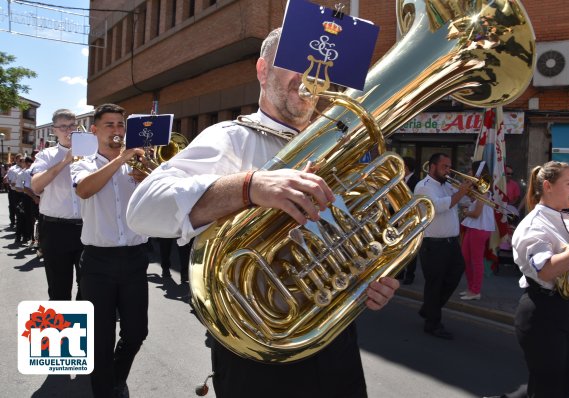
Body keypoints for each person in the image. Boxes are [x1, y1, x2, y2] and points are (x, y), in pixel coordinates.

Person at [127, 27, 398, 398]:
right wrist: (250, 186)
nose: (312, 74)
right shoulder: (230, 138)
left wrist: (366, 278)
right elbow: (143, 209)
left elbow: (346, 239)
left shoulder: (341, 150)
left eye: (322, 66)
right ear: (262, 70)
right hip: (256, 353)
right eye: (296, 62)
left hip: (333, 339)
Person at [71, 103, 149, 398]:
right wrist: (120, 160)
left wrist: (147, 172)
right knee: (100, 338)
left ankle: (117, 376)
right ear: (95, 130)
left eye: (120, 125)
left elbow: (156, 193)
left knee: (136, 332)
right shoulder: (83, 163)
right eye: (110, 125)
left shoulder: (138, 163)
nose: (117, 131)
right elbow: (84, 190)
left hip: (134, 259)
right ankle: (104, 390)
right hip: (97, 262)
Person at [510, 161, 569, 398]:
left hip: (565, 308)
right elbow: (546, 271)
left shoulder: (565, 219)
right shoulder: (534, 225)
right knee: (549, 390)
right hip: (541, 312)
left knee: (565, 383)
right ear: (547, 186)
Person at [413, 153, 471, 339]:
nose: (448, 170)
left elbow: (462, 202)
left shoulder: (447, 186)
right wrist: (460, 192)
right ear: (432, 167)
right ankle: (433, 323)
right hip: (433, 245)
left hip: (451, 243)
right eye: (445, 166)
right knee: (435, 284)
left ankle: (429, 308)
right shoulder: (423, 187)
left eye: (449, 166)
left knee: (455, 274)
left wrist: (471, 193)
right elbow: (438, 207)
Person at [31, 109, 83, 300]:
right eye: (63, 126)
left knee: (88, 286)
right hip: (55, 228)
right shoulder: (46, 155)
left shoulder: (91, 153)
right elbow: (36, 186)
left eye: (72, 125)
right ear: (54, 130)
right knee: (59, 288)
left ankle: (81, 326)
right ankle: (63, 329)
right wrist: (64, 161)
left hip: (88, 227)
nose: (69, 130)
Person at [459, 161, 496, 300]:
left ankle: (475, 291)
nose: (468, 172)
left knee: (476, 261)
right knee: (466, 258)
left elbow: (476, 213)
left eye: (471, 170)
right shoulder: (479, 190)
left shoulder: (484, 191)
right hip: (474, 227)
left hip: (479, 228)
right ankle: (471, 288)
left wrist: (465, 213)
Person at [398, 156, 420, 284]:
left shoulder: (415, 182)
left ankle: (410, 275)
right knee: (400, 247)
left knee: (411, 248)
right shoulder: (401, 180)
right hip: (400, 219)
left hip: (410, 219)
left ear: (406, 167)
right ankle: (400, 273)